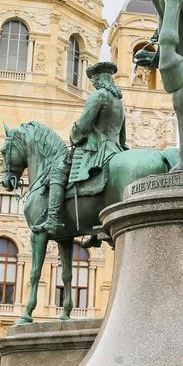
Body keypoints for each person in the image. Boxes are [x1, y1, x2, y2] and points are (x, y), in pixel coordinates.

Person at [39, 61, 126, 235]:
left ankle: (53, 219)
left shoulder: (99, 96)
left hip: (97, 151)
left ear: (99, 79)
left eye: (94, 79)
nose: (93, 83)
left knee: (58, 171)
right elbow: (123, 134)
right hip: (117, 148)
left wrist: (74, 135)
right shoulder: (119, 101)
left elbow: (84, 126)